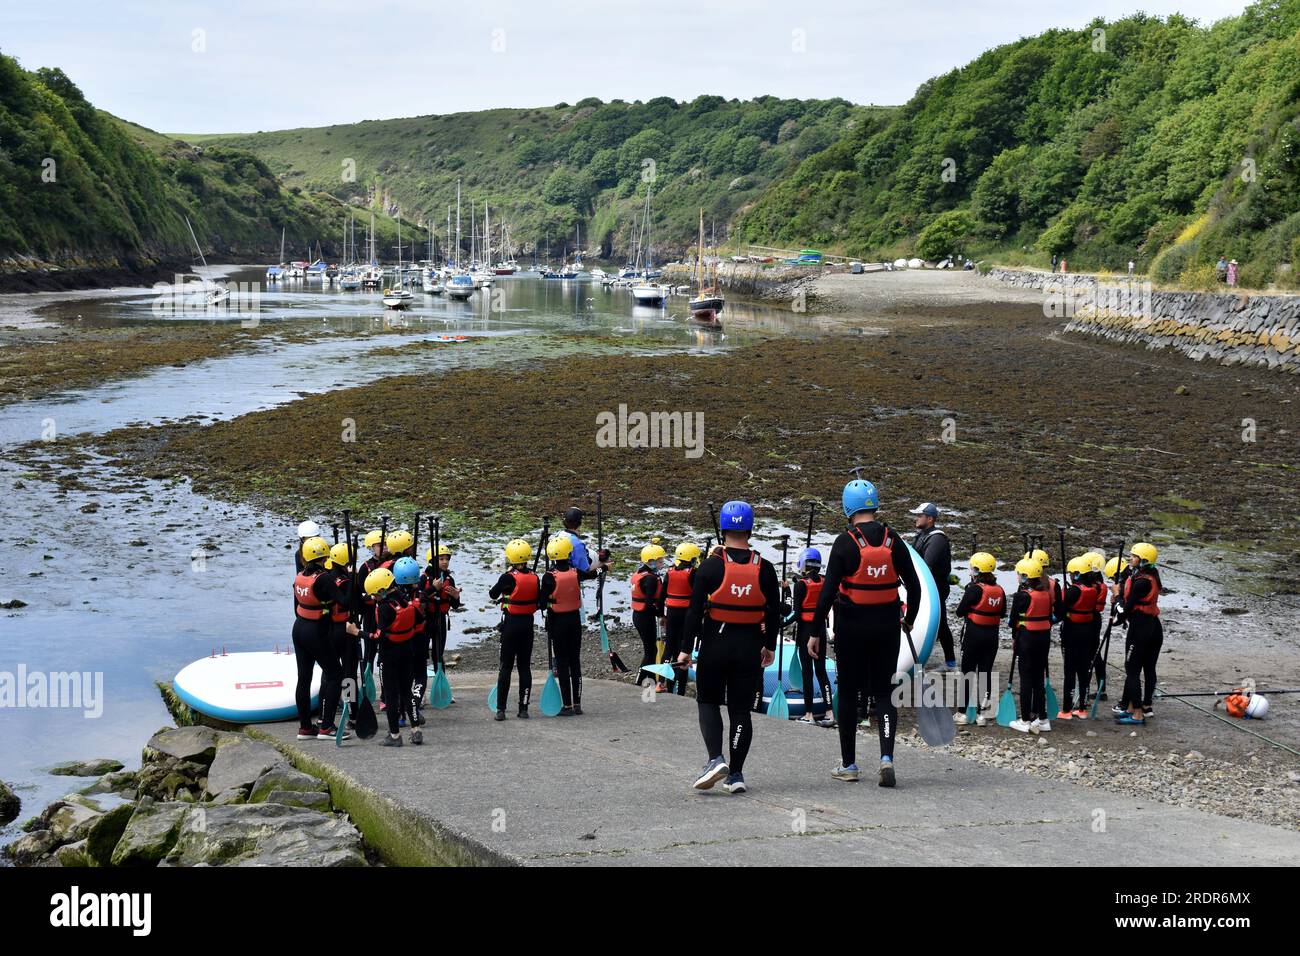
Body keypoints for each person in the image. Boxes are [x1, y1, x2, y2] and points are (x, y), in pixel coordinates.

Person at [811, 479, 921, 787]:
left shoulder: (845, 542)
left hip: (851, 626)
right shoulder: (893, 539)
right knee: (885, 692)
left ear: (848, 507)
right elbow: (914, 585)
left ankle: (849, 764)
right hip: (887, 626)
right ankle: (886, 758)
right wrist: (909, 619)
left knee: (847, 690)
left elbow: (827, 591)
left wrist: (813, 631)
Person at [680, 500, 781, 795]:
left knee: (708, 701)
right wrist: (770, 645)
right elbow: (773, 612)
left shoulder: (710, 566)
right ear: (750, 528)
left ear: (723, 528)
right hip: (749, 647)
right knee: (740, 710)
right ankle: (735, 775)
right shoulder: (766, 569)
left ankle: (715, 759)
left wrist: (686, 649)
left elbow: (694, 611)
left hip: (715, 645)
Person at [347, 565, 422, 746]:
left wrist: (357, 632)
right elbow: (419, 623)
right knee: (407, 692)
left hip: (390, 656)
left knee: (390, 695)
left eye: (375, 594)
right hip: (407, 652)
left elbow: (378, 637)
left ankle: (395, 736)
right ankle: (416, 729)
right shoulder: (406, 600)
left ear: (382, 590)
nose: (374, 598)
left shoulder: (384, 607)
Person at [291, 536, 346, 741]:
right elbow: (344, 602)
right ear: (326, 556)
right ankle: (327, 727)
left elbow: (296, 604)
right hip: (316, 631)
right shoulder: (324, 578)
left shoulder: (300, 576)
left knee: (304, 678)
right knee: (335, 674)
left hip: (299, 629)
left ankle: (305, 728)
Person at [540, 535, 600, 715]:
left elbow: (542, 604)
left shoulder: (549, 577)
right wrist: (602, 567)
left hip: (557, 622)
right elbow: (591, 574)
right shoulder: (576, 572)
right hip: (574, 621)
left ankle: (566, 706)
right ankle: (577, 705)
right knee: (575, 661)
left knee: (563, 662)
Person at [489, 538, 541, 720]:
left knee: (506, 667)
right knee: (524, 667)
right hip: (527, 625)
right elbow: (539, 600)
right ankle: (523, 708)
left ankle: (501, 709)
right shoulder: (535, 577)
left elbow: (493, 593)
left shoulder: (507, 577)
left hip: (511, 625)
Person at [953, 551, 1004, 724]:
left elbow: (960, 612)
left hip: (974, 635)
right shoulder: (1000, 590)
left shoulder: (974, 589)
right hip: (992, 636)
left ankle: (962, 713)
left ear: (976, 570)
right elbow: (1002, 613)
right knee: (985, 673)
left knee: (968, 673)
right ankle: (984, 714)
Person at [1006, 556, 1055, 734]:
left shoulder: (1022, 596)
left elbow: (1013, 621)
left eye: (1019, 574)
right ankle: (1043, 719)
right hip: (1043, 639)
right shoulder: (1046, 594)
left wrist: (1014, 637)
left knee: (1026, 679)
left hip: (1027, 639)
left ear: (1026, 576)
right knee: (1038, 680)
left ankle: (1025, 720)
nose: (1018, 577)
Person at [1114, 543, 1162, 725]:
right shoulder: (1151, 575)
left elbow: (1124, 610)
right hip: (1152, 627)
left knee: (1132, 669)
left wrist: (1118, 596)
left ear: (1143, 560)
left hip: (1141, 628)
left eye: (1134, 557)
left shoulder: (1142, 582)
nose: (1130, 559)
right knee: (1147, 667)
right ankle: (1134, 708)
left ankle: (1137, 715)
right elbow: (1129, 576)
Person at [790, 548, 834, 726]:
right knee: (821, 671)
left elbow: (796, 614)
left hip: (805, 632)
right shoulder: (825, 581)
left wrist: (779, 624)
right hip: (820, 630)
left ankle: (808, 715)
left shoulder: (800, 584)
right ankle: (830, 713)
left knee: (807, 672)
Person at [1059, 554, 1107, 718]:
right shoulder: (1093, 590)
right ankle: (1082, 708)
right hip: (1088, 632)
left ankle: (1066, 709)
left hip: (1073, 632)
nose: (1071, 576)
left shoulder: (1074, 590)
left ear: (1077, 574)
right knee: (1083, 670)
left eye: (1072, 573)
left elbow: (1061, 611)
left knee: (1070, 670)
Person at [910, 502, 955, 669]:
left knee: (941, 625)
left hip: (934, 590)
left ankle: (950, 663)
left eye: (919, 515)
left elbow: (925, 565)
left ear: (929, 519)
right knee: (933, 624)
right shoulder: (922, 535)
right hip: (922, 588)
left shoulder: (937, 539)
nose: (916, 518)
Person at [662, 542, 701, 697]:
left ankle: (666, 684)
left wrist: (661, 614)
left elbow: (662, 596)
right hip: (687, 615)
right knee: (684, 650)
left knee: (671, 649)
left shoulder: (669, 572)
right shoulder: (693, 573)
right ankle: (681, 690)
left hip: (671, 613)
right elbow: (699, 594)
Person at [420, 545, 461, 680]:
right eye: (441, 559)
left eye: (446, 559)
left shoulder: (449, 579)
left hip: (440, 619)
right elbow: (419, 600)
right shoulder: (424, 579)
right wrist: (433, 588)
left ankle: (441, 686)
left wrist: (456, 597)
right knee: (421, 655)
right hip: (425, 621)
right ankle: (420, 689)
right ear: (432, 561)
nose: (445, 562)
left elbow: (454, 605)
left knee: (438, 654)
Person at [630, 543, 667, 688]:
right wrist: (661, 616)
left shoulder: (641, 573)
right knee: (650, 650)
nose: (662, 563)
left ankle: (650, 678)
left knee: (652, 649)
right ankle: (639, 680)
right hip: (644, 617)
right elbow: (650, 602)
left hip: (639, 615)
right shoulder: (650, 579)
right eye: (659, 561)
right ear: (650, 561)